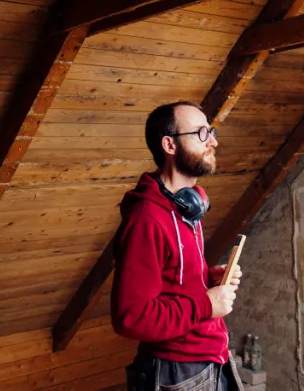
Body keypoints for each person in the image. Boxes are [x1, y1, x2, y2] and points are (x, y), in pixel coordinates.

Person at [113, 101, 245, 391]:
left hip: (210, 358)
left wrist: (208, 280)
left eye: (210, 131)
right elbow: (131, 317)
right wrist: (205, 303)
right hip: (177, 373)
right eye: (200, 133)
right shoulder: (147, 220)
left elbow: (172, 280)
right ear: (169, 145)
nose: (213, 141)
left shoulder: (187, 208)